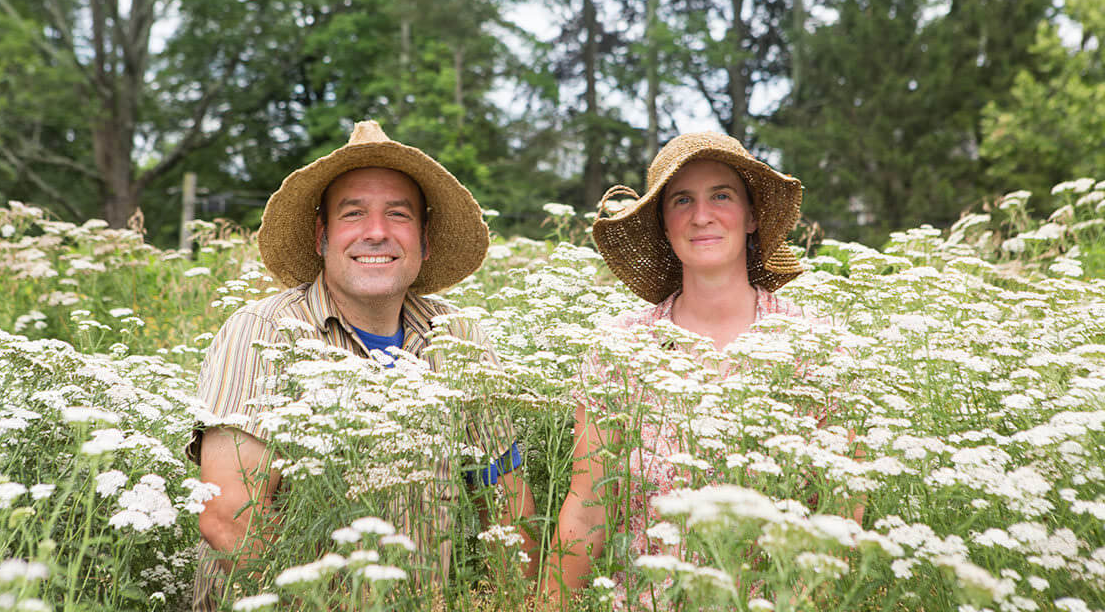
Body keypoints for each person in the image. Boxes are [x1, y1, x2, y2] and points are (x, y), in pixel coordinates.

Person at [186, 120, 539, 611]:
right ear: (321, 236)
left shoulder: (458, 339)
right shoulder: (263, 332)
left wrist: (513, 601)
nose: (376, 233)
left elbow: (505, 503)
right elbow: (229, 518)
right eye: (353, 214)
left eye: (398, 214)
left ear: (425, 240)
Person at [542, 131, 828, 610]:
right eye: (681, 200)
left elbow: (841, 515)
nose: (702, 216)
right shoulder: (622, 346)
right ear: (663, 224)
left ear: (753, 215)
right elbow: (586, 506)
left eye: (722, 195)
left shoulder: (811, 343)